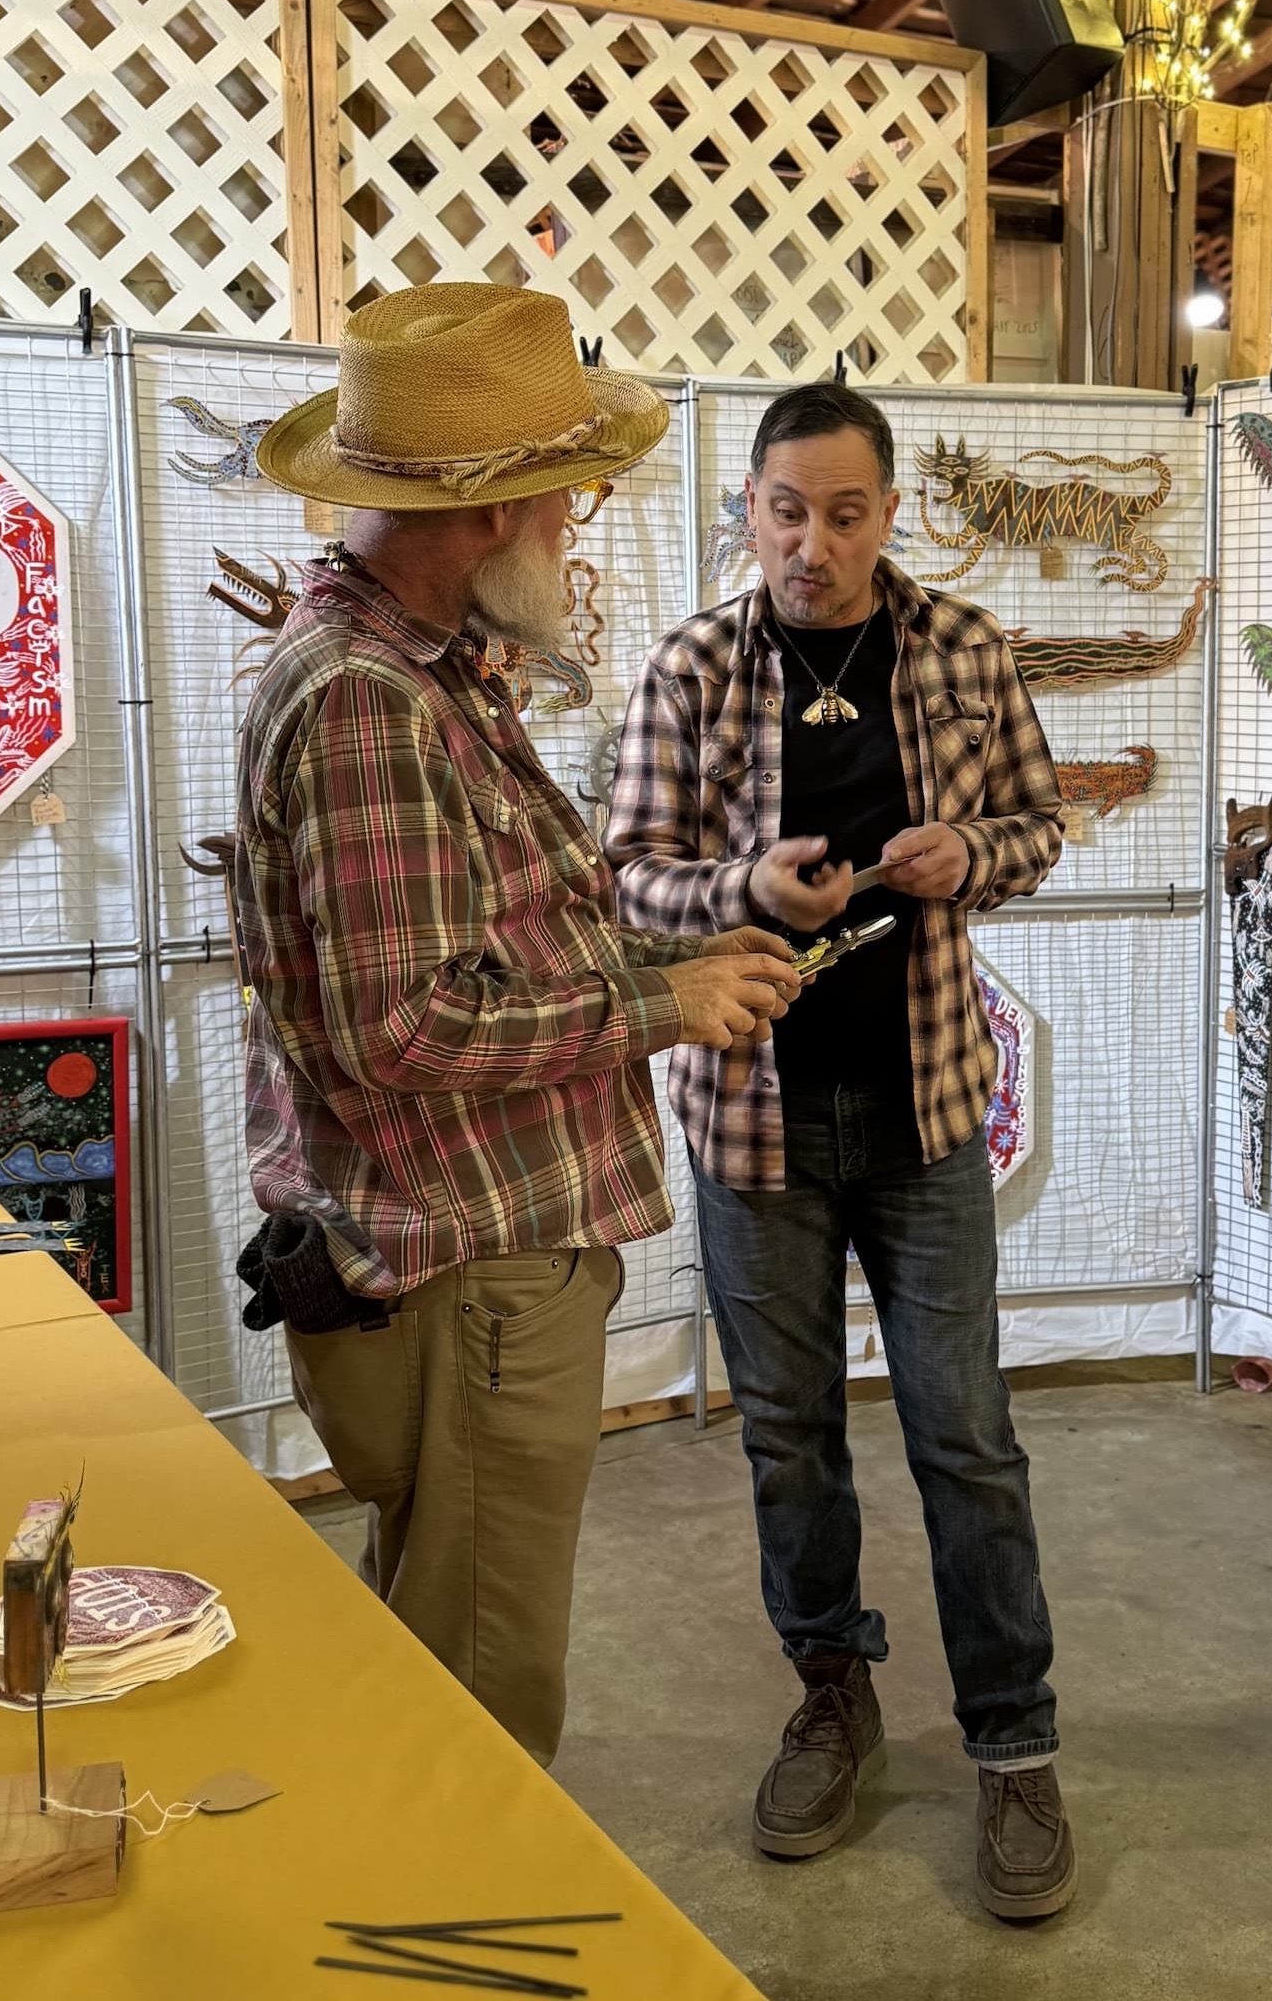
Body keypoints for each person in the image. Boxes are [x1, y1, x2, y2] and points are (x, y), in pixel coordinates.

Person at [236, 283, 802, 1766]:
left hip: (458, 1271)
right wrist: (663, 1001)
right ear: (490, 512)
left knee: (436, 1653)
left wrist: (676, 949)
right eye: (569, 494)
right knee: (479, 1709)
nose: (580, 523)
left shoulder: (416, 670)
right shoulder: (370, 701)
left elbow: (490, 939)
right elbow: (402, 1031)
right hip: (463, 1278)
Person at [607, 381, 1075, 1920]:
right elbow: (629, 881)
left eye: (846, 512)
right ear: (748, 509)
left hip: (929, 1110)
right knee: (789, 1439)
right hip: (756, 1124)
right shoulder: (690, 666)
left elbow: (1039, 822)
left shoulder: (962, 651)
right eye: (786, 510)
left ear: (892, 512)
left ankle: (1014, 1743)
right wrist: (751, 886)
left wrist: (972, 857)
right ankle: (833, 1693)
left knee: (966, 1437)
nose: (813, 544)